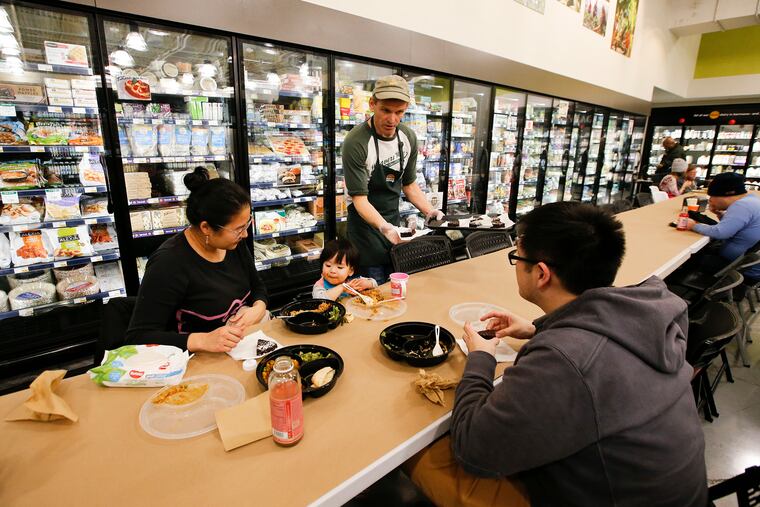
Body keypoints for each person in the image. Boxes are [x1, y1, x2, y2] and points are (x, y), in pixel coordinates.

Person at [405, 202, 707, 507]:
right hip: (675, 494)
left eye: (517, 258)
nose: (516, 265)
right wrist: (539, 330)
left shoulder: (564, 362)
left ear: (541, 274)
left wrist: (480, 357)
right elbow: (594, 360)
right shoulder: (644, 316)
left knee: (420, 455)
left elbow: (472, 448)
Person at [126, 167, 268, 353]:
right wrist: (203, 340)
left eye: (246, 224)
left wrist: (258, 308)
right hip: (196, 362)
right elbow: (138, 336)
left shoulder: (233, 243)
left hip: (242, 348)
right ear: (206, 228)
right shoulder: (169, 263)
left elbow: (257, 286)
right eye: (239, 228)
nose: (245, 234)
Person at [343, 75, 444, 284]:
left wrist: (429, 211)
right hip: (365, 235)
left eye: (399, 112)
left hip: (395, 231)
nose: (392, 119)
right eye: (386, 111)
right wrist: (385, 227)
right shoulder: (356, 142)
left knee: (396, 292)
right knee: (373, 297)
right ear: (373, 104)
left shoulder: (408, 138)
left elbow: (409, 185)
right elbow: (359, 200)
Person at [686, 171, 760, 281]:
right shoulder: (752, 200)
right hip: (746, 263)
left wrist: (692, 225)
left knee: (691, 258)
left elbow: (720, 233)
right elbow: (738, 228)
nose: (710, 201)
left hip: (737, 268)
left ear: (724, 195)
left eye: (712, 197)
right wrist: (722, 217)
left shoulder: (741, 206)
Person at [312, 239, 377, 300]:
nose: (332, 271)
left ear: (350, 271)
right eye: (328, 265)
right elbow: (320, 300)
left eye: (339, 267)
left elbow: (374, 284)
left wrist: (367, 283)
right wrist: (342, 288)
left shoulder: (351, 281)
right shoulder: (320, 285)